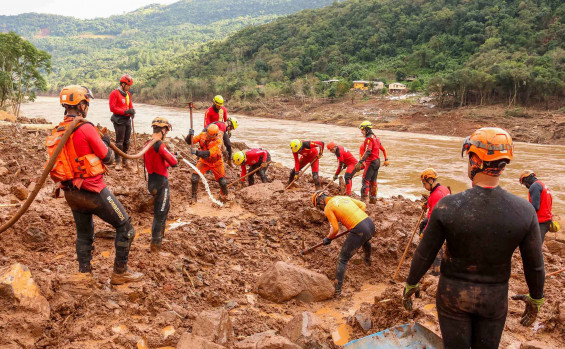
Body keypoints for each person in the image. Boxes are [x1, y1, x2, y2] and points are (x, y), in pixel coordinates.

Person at [402, 127, 545, 349]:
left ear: (475, 160)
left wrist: (411, 283)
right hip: (494, 299)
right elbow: (534, 265)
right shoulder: (524, 211)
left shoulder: (448, 206)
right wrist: (536, 298)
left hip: (453, 296)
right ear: (503, 164)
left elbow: (425, 253)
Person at [54, 85, 142, 285]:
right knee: (126, 227)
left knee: (84, 235)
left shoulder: (59, 129)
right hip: (92, 192)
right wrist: (104, 141)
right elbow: (109, 158)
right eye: (87, 102)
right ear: (82, 105)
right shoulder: (85, 127)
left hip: (71, 193)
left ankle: (84, 275)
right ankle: (120, 272)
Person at [311, 191, 375, 297]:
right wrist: (357, 218)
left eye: (319, 207)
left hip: (360, 229)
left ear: (321, 201)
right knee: (365, 240)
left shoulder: (328, 207)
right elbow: (363, 205)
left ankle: (337, 292)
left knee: (342, 259)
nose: (321, 209)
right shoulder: (340, 197)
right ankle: (368, 261)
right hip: (370, 223)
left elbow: (335, 229)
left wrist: (328, 238)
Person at [143, 117, 178, 253]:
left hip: (152, 181)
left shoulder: (147, 143)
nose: (166, 134)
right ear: (163, 130)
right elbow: (174, 162)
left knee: (165, 208)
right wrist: (175, 157)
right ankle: (155, 246)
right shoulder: (159, 144)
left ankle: (160, 238)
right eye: (166, 132)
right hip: (161, 183)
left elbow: (159, 161)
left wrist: (169, 159)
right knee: (160, 214)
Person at [419, 168, 451, 276]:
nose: (424, 186)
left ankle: (436, 271)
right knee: (422, 224)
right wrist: (427, 203)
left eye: (424, 183)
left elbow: (432, 218)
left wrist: (425, 232)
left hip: (441, 222)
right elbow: (434, 198)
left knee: (436, 244)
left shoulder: (436, 195)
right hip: (445, 216)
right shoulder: (442, 189)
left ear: (431, 181)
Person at [186, 124, 227, 202]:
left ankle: (225, 196)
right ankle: (194, 196)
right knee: (194, 178)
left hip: (217, 163)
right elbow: (189, 142)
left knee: (223, 182)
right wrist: (189, 135)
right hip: (204, 161)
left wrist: (196, 152)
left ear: (215, 135)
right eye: (208, 135)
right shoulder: (202, 135)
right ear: (207, 132)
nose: (208, 137)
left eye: (211, 137)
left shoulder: (218, 141)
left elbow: (207, 153)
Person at [355, 121, 388, 203]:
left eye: (362, 129)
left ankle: (363, 200)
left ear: (366, 129)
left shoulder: (369, 138)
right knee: (373, 181)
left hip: (371, 161)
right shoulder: (376, 138)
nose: (361, 131)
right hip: (377, 161)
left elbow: (368, 151)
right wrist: (386, 159)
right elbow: (382, 149)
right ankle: (373, 199)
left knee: (365, 181)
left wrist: (360, 161)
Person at [109, 74, 135, 171]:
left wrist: (132, 111)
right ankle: (118, 161)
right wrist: (125, 112)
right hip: (118, 119)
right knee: (119, 142)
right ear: (123, 84)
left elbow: (130, 105)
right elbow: (112, 108)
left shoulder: (128, 94)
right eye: (128, 85)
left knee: (126, 141)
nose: (129, 88)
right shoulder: (114, 93)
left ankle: (125, 161)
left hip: (127, 119)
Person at [519, 170, 554, 242]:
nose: (526, 186)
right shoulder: (542, 185)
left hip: (540, 222)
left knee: (535, 247)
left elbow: (535, 207)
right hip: (547, 220)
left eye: (524, 183)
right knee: (536, 245)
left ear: (526, 179)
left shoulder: (534, 186)